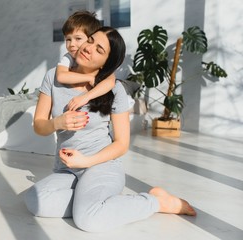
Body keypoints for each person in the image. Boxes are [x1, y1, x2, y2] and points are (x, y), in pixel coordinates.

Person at [24, 26, 196, 232]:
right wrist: (57, 123)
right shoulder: (54, 77)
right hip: (67, 170)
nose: (89, 48)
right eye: (90, 40)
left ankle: (156, 201)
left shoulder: (114, 89)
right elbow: (39, 126)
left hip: (102, 166)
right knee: (35, 200)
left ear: (107, 63)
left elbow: (122, 144)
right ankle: (93, 199)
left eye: (99, 50)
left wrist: (86, 161)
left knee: (88, 220)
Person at [56, 10, 116, 111]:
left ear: (90, 40)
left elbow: (110, 81)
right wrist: (89, 78)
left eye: (78, 39)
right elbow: (61, 76)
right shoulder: (68, 57)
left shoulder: (99, 64)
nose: (71, 44)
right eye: (68, 39)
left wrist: (86, 97)